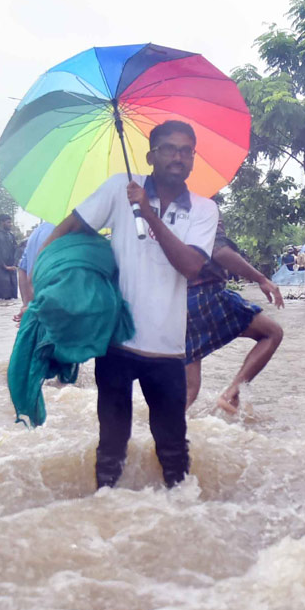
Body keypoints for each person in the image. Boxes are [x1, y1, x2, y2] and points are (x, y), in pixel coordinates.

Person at [42, 120, 218, 489]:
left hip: (167, 350)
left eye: (187, 151)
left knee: (173, 449)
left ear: (193, 160)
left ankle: (180, 521)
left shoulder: (204, 210)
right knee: (110, 447)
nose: (178, 157)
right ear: (151, 155)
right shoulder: (119, 188)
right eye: (169, 149)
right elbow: (70, 229)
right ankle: (104, 514)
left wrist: (148, 212)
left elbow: (189, 265)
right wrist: (46, 281)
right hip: (116, 343)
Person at [184, 224, 285, 414]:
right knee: (273, 333)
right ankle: (232, 391)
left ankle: (164, 436)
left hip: (175, 304)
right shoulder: (203, 209)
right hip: (206, 296)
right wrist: (261, 279)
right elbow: (219, 252)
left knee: (190, 390)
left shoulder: (159, 213)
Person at [14, 220, 54, 321]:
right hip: (55, 311)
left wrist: (27, 306)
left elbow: (22, 269)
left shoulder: (37, 231)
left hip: (37, 309)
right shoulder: (69, 233)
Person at [0, 213, 19, 300]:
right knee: (2, 296)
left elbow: (16, 249)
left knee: (13, 296)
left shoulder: (11, 235)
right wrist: (4, 266)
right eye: (8, 222)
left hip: (11, 267)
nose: (10, 224)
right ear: (2, 222)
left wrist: (14, 264)